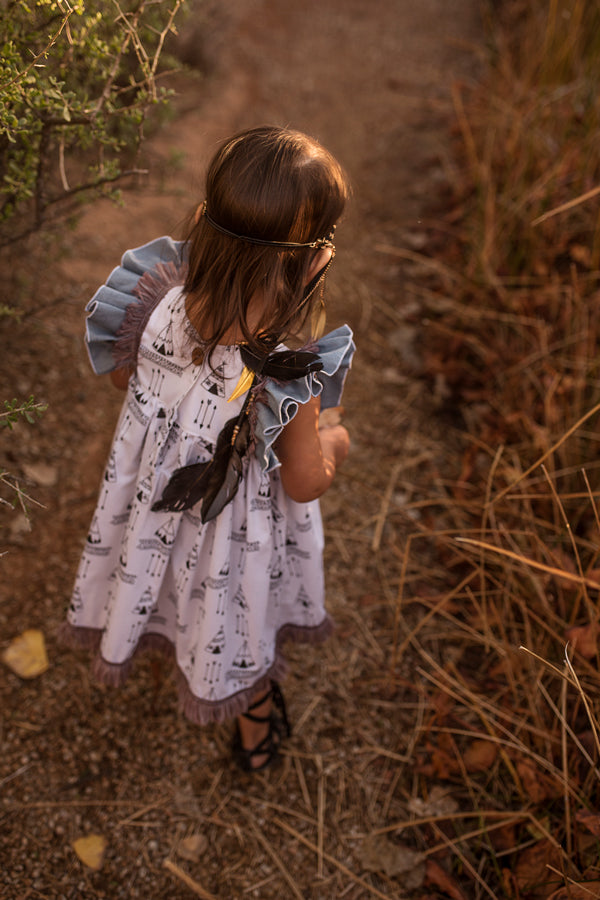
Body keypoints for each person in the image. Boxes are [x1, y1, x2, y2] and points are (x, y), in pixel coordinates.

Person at [61, 125, 355, 771]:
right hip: (233, 538)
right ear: (314, 261)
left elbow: (122, 377)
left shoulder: (157, 301)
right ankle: (254, 742)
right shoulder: (287, 370)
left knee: (162, 581)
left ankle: (152, 634)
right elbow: (305, 482)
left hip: (154, 513)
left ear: (207, 229)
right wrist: (333, 441)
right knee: (230, 618)